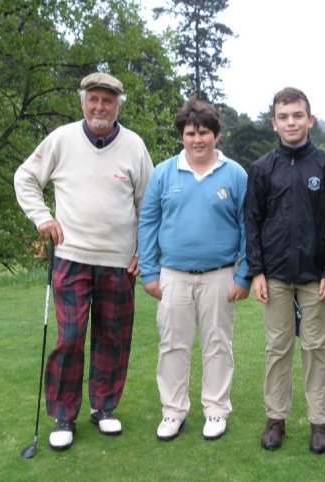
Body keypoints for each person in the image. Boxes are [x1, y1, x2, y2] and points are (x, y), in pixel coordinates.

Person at [14, 72, 153, 451]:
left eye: (108, 100)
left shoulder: (135, 146)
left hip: (119, 261)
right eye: (93, 99)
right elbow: (26, 177)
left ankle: (104, 408)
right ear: (82, 102)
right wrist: (43, 217)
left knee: (112, 338)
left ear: (118, 106)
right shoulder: (61, 139)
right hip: (72, 256)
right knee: (70, 337)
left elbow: (148, 205)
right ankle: (63, 414)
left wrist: (145, 250)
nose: (100, 107)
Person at [138, 98, 251, 442]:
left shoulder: (234, 173)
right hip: (173, 275)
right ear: (182, 136)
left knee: (218, 344)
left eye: (204, 132)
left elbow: (249, 226)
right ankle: (173, 412)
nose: (197, 139)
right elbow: (147, 222)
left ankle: (216, 410)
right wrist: (148, 271)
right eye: (190, 133)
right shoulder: (163, 173)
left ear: (216, 134)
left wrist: (244, 273)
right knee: (173, 345)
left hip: (221, 275)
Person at [245, 87, 325, 454]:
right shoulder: (261, 168)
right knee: (277, 348)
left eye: (298, 115)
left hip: (316, 275)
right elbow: (252, 223)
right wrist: (255, 271)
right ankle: (276, 419)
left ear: (310, 119)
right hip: (273, 275)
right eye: (284, 117)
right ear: (274, 123)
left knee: (316, 347)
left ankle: (320, 422)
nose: (291, 122)